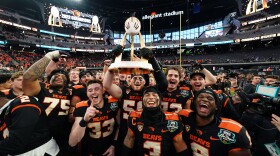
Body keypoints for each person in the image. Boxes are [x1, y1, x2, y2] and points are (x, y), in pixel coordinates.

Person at [103, 46, 168, 155]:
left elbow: (163, 84)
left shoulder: (149, 92)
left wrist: (152, 59)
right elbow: (107, 85)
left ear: (145, 82)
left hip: (143, 133)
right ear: (129, 81)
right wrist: (113, 62)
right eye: (135, 78)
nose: (137, 81)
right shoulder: (124, 91)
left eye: (140, 79)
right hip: (125, 132)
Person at [22, 50, 73, 155]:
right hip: (40, 136)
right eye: (55, 75)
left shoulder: (71, 91)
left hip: (63, 136)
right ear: (49, 79)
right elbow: (28, 77)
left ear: (67, 81)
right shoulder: (42, 87)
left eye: (62, 75)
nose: (58, 76)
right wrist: (49, 56)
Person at [179, 88, 252, 156]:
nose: (204, 100)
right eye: (201, 97)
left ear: (216, 106)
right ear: (195, 103)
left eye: (210, 98)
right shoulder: (184, 116)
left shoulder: (233, 130)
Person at [122, 86, 189, 156]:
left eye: (154, 95)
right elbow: (129, 140)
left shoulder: (173, 120)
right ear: (142, 100)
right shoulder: (134, 117)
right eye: (147, 95)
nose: (151, 97)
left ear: (160, 100)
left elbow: (181, 147)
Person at [69, 80, 120, 156]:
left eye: (96, 89)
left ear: (103, 90)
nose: (93, 92)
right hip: (90, 151)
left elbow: (119, 126)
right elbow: (72, 142)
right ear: (87, 93)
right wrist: (85, 119)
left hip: (110, 149)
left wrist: (114, 145)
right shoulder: (81, 107)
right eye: (90, 90)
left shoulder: (113, 103)